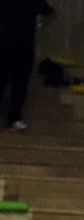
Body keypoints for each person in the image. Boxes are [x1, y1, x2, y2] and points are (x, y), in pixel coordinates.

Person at [0, 0, 54, 131]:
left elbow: (50, 13)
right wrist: (40, 24)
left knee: (19, 84)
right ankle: (14, 119)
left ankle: (15, 118)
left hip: (20, 47)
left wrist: (39, 24)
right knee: (15, 84)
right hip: (14, 47)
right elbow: (50, 13)